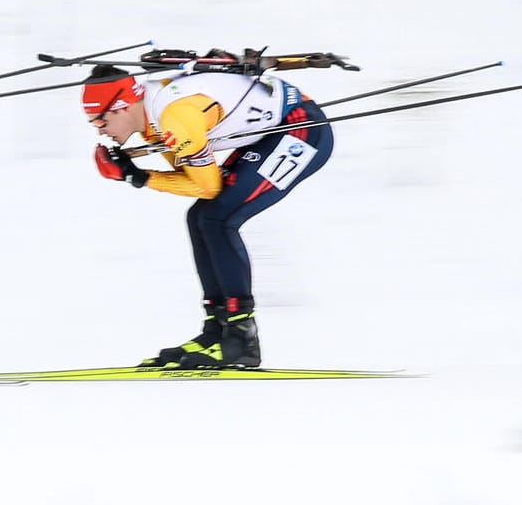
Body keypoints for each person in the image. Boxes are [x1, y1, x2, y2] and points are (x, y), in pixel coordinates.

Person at [82, 60, 335, 369]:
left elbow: (206, 187)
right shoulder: (151, 118)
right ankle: (218, 331)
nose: (100, 131)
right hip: (271, 130)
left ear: (121, 108)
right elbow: (192, 177)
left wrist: (139, 177)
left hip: (301, 130)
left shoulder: (175, 118)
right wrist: (137, 174)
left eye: (99, 122)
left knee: (218, 218)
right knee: (201, 218)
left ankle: (241, 338)